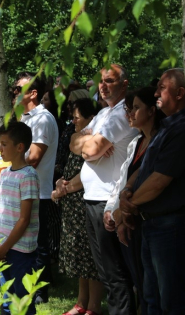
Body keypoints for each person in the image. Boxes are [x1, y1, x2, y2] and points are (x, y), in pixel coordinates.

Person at [70, 64, 138, 315]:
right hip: (93, 200)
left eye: (109, 81)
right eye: (101, 81)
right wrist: (86, 141)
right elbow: (74, 141)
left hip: (109, 202)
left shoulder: (122, 114)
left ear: (124, 84)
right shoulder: (102, 114)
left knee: (116, 273)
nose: (103, 86)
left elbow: (87, 150)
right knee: (106, 271)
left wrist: (87, 143)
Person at [119, 69, 185, 315]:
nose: (156, 93)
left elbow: (160, 180)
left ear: (180, 94)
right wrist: (127, 189)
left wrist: (129, 204)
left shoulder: (181, 129)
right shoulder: (166, 128)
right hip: (151, 224)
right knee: (151, 297)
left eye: (162, 88)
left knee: (170, 299)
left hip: (170, 225)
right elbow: (145, 168)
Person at [105, 87, 164, 315]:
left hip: (145, 219)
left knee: (155, 288)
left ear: (151, 110)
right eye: (129, 109)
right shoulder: (136, 142)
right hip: (128, 220)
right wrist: (116, 211)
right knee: (141, 282)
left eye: (136, 108)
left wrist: (123, 213)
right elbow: (123, 180)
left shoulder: (160, 140)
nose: (130, 114)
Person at [51, 98, 103, 315]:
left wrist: (64, 189)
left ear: (91, 117)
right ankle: (81, 302)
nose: (73, 121)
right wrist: (59, 183)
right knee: (79, 254)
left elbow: (87, 174)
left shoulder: (96, 141)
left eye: (77, 117)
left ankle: (93, 306)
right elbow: (71, 163)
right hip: (72, 203)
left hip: (85, 200)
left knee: (90, 257)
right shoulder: (77, 136)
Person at [14, 72, 59, 304]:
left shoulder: (42, 118)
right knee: (27, 242)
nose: (14, 92)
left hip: (38, 191)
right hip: (24, 190)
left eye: (18, 88)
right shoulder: (25, 118)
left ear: (33, 93)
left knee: (38, 243)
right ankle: (30, 285)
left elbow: (33, 158)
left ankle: (40, 292)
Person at [0, 120, 39, 315]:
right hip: (4, 246)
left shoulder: (28, 175)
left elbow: (24, 219)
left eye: (4, 144)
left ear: (20, 147)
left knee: (22, 300)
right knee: (7, 298)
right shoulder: (4, 174)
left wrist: (5, 247)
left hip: (20, 250)